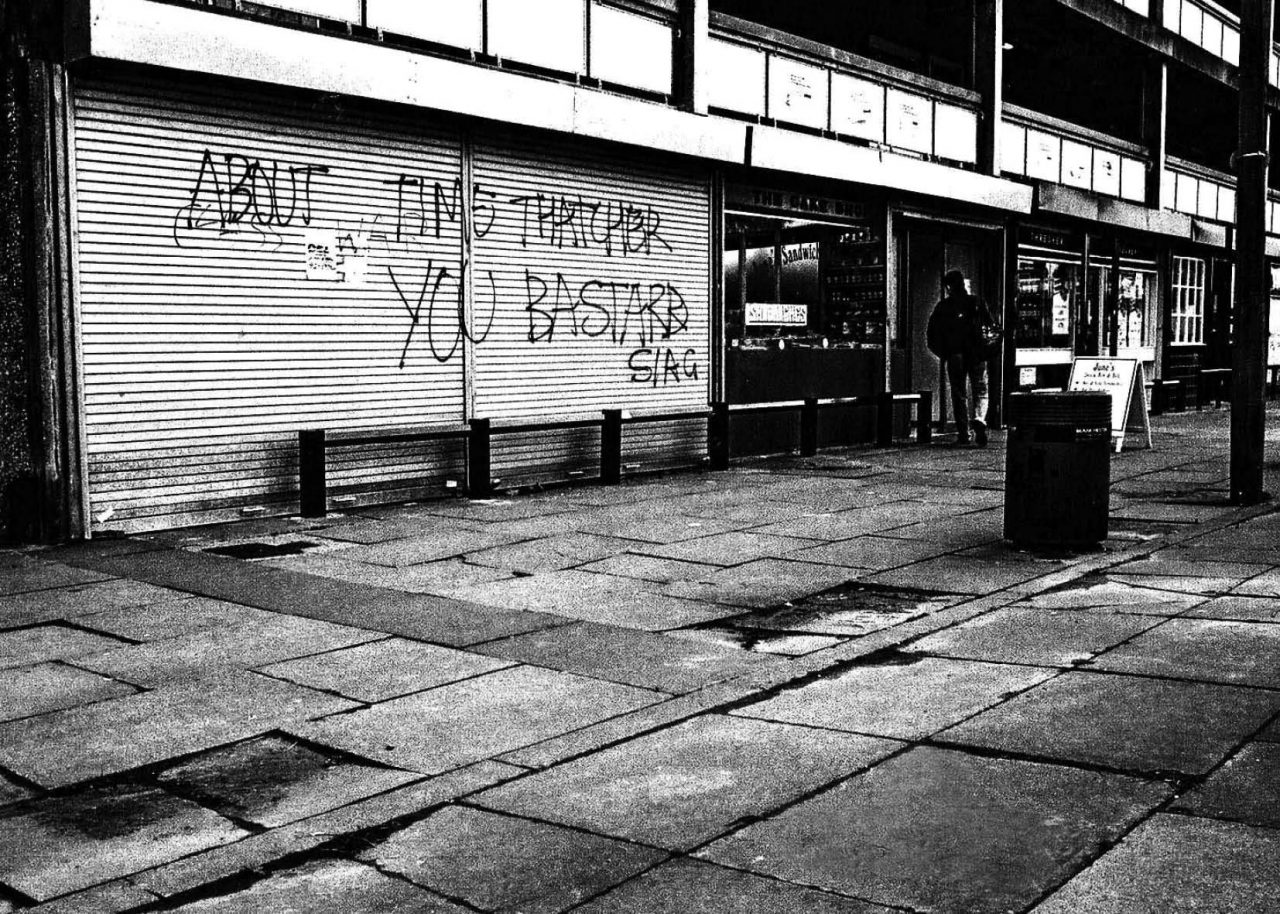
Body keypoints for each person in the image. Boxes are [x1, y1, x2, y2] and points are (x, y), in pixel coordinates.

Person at [927, 269, 996, 447]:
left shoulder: (943, 307)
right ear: (963, 284)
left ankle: (963, 433)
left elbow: (932, 334)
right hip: (977, 354)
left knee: (959, 394)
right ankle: (979, 418)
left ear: (949, 287)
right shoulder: (978, 302)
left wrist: (945, 354)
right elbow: (992, 327)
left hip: (955, 355)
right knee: (981, 389)